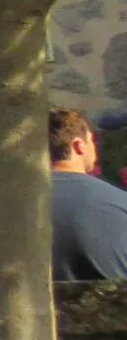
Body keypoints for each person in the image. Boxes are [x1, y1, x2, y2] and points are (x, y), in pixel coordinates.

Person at [49, 109, 127, 282]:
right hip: (108, 306)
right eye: (92, 141)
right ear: (79, 145)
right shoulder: (118, 202)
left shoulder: (7, 207)